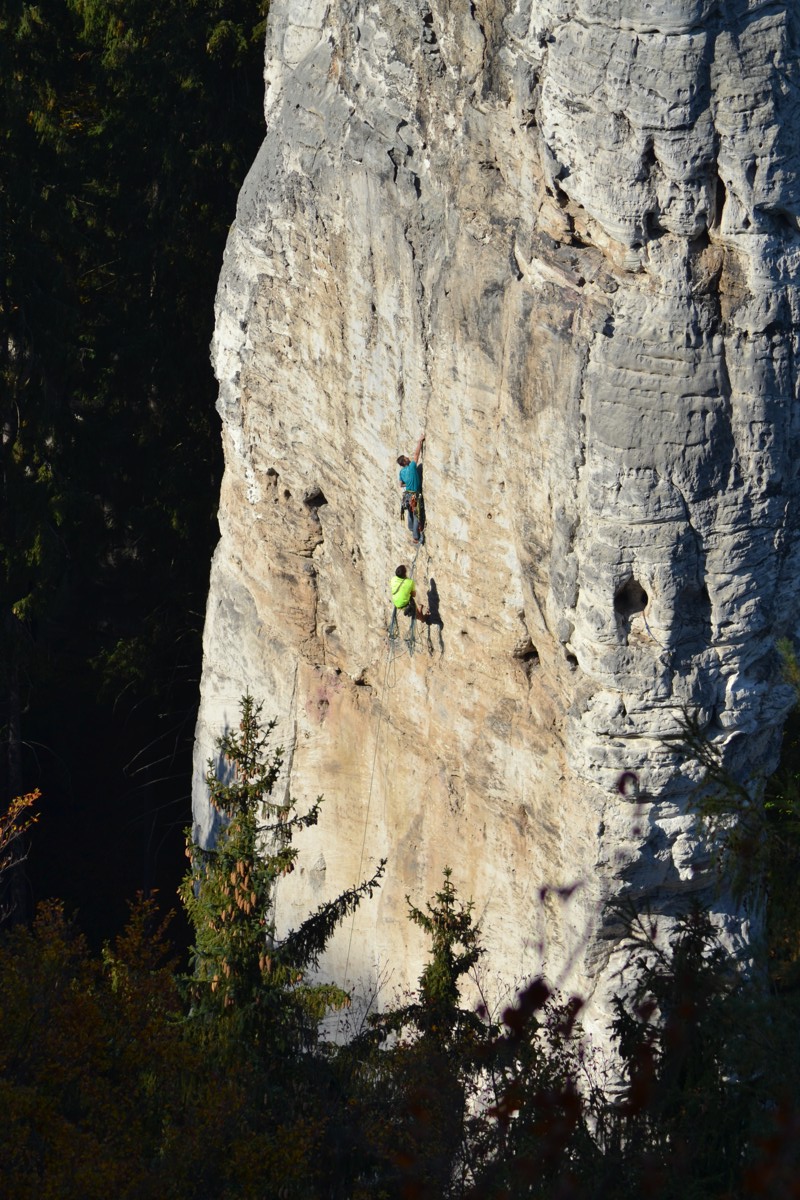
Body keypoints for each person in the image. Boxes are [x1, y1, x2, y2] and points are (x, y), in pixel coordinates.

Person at [397, 433, 425, 544]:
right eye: (406, 458)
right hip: (414, 495)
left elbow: (400, 484)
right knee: (416, 514)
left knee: (410, 512)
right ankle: (416, 537)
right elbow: (416, 454)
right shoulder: (412, 467)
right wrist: (420, 441)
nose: (408, 458)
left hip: (406, 495)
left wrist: (408, 483)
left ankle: (410, 528)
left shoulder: (402, 472)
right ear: (404, 462)